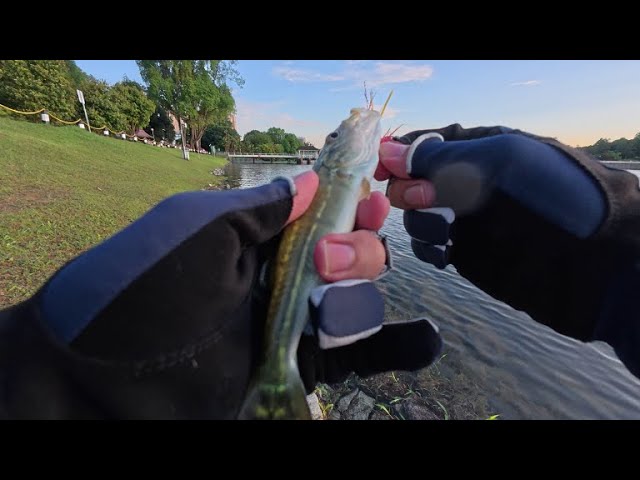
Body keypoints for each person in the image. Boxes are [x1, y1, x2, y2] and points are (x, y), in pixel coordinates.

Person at [0, 123, 638, 419]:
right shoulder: (326, 180)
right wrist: (65, 378)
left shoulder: (362, 184)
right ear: (334, 155)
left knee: (362, 257)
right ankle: (276, 370)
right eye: (341, 134)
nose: (356, 128)